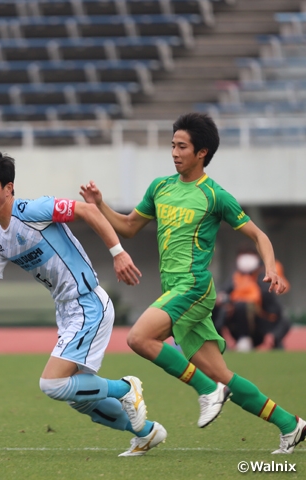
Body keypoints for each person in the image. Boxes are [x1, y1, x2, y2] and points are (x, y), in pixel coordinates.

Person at [80, 112, 305, 454]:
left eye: (181, 146)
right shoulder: (160, 187)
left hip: (194, 287)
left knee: (139, 338)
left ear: (202, 152)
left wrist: (271, 268)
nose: (174, 152)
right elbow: (127, 226)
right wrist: (100, 205)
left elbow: (258, 234)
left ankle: (206, 390)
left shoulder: (214, 195)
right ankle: (291, 425)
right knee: (224, 375)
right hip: (174, 292)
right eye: (172, 145)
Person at [0, 150, 168, 457]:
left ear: (8, 188)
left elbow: (88, 211)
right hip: (68, 312)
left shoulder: (35, 210)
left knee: (52, 384)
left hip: (88, 304)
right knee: (80, 398)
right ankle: (145, 432)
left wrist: (119, 253)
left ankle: (126, 388)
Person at [213, 248, 292, 352]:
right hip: (237, 326)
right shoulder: (235, 278)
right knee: (216, 306)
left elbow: (279, 315)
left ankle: (274, 343)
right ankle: (220, 342)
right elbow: (222, 294)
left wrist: (273, 335)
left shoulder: (264, 281)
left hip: (262, 327)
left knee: (282, 320)